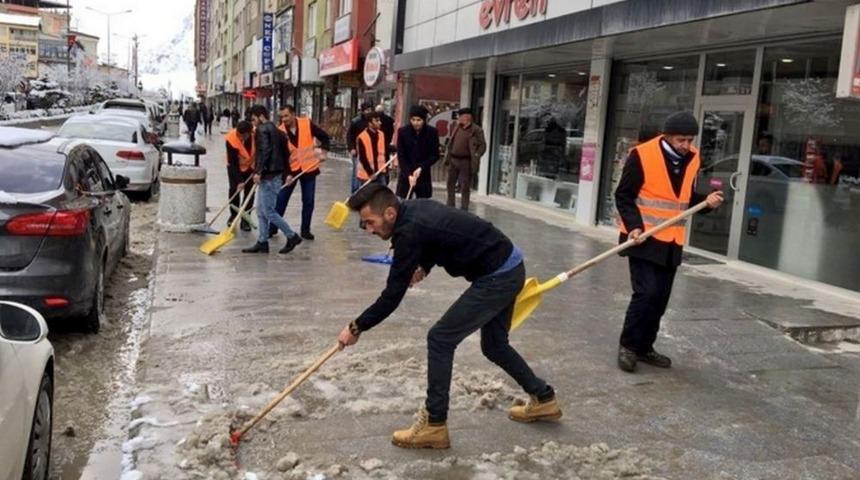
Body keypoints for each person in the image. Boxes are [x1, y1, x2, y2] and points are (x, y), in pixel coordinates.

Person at [336, 185, 561, 449]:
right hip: (508, 265)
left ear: (389, 213)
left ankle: (434, 424)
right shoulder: (412, 210)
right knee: (494, 345)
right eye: (364, 225)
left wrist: (356, 327)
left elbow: (392, 296)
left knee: (440, 338)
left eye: (370, 223)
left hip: (498, 276)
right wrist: (424, 266)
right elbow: (437, 238)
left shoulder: (409, 231)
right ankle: (543, 399)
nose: (369, 230)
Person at [614, 111, 725, 373]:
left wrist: (706, 203)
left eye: (689, 140)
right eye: (680, 140)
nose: (686, 145)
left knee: (660, 298)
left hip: (672, 241)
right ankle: (628, 346)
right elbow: (624, 196)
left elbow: (683, 199)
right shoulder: (641, 155)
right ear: (667, 136)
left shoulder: (693, 157)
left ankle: (645, 347)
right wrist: (634, 226)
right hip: (643, 238)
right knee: (646, 294)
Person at [242, 105, 303, 255]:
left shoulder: (262, 130)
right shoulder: (279, 131)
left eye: (254, 119)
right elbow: (286, 154)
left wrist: (258, 171)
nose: (253, 123)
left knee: (268, 211)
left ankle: (292, 236)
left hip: (269, 176)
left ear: (261, 116)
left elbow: (265, 151)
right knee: (261, 211)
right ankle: (263, 241)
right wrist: (287, 173)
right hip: (274, 175)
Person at [275, 104, 331, 241]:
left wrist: (324, 152)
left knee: (308, 200)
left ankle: (305, 230)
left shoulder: (306, 124)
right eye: (282, 117)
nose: (284, 119)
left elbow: (324, 137)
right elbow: (280, 157)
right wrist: (286, 175)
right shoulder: (280, 131)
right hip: (291, 171)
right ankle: (273, 227)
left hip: (308, 169)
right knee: (281, 199)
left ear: (294, 114)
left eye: (286, 116)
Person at [444, 108, 486, 210]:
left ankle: (464, 207)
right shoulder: (457, 127)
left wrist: (477, 154)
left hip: (466, 161)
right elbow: (452, 142)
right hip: (453, 159)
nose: (459, 118)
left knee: (465, 185)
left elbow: (483, 146)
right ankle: (450, 205)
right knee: (450, 183)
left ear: (467, 117)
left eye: (461, 116)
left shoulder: (476, 130)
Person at [395, 105, 439, 199]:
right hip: (406, 174)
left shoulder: (432, 132)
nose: (415, 123)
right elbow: (401, 155)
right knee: (403, 202)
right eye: (413, 120)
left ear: (424, 120)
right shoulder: (403, 132)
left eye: (419, 120)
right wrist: (408, 174)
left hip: (423, 175)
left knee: (423, 203)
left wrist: (421, 167)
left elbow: (435, 155)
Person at [225, 120, 255, 231]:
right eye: (239, 135)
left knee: (249, 194)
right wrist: (239, 181)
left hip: (251, 168)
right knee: (234, 191)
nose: (241, 138)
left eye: (243, 136)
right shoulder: (231, 138)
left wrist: (258, 170)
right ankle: (233, 216)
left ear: (249, 133)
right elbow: (232, 162)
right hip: (235, 168)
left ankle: (245, 219)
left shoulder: (256, 135)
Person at [347, 101, 375, 192]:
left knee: (367, 172)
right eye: (367, 110)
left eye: (370, 110)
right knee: (356, 172)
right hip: (357, 151)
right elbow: (349, 136)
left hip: (369, 153)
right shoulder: (356, 122)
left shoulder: (372, 122)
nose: (369, 112)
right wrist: (351, 148)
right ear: (363, 111)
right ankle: (355, 191)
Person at [356, 111, 389, 187]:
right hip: (366, 174)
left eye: (379, 120)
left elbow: (385, 151)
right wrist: (370, 173)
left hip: (380, 172)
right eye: (376, 120)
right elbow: (362, 157)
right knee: (368, 194)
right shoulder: (362, 137)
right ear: (369, 123)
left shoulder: (381, 135)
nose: (380, 122)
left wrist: (387, 168)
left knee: (382, 193)